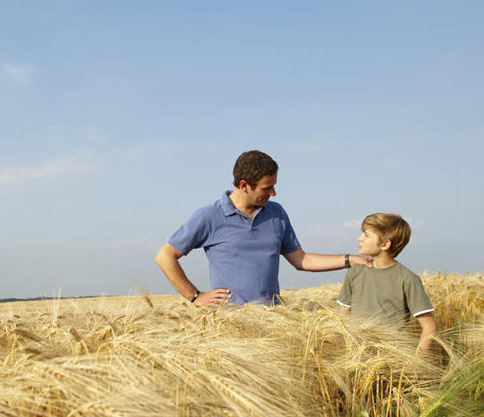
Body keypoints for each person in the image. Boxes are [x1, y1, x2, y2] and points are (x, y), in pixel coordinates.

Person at [155, 150, 372, 307]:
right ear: (244, 185)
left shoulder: (276, 213)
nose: (274, 193)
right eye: (267, 188)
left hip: (273, 321)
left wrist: (349, 260)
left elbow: (300, 260)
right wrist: (195, 296)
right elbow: (165, 256)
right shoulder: (209, 216)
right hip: (230, 325)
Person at [336, 212, 437, 351]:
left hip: (393, 362)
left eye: (366, 235)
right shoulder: (354, 272)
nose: (359, 238)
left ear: (384, 244)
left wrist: (415, 363)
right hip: (357, 360)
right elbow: (343, 316)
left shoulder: (408, 279)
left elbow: (429, 326)